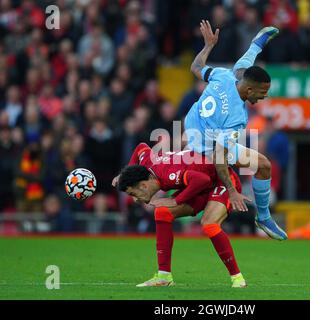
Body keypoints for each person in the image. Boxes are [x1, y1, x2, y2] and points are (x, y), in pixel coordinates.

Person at [184, 20, 287, 240]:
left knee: (240, 68)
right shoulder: (237, 117)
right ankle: (263, 217)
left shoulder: (223, 75)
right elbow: (220, 156)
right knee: (264, 165)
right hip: (205, 149)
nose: (264, 97)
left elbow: (195, 68)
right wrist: (231, 190)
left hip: (192, 128)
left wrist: (208, 46)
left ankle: (256, 45)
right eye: (262, 92)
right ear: (249, 89)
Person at [113, 142, 247, 288]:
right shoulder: (146, 163)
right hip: (199, 185)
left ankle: (238, 279)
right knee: (162, 212)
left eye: (134, 193)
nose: (136, 199)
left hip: (221, 181)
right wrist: (123, 175)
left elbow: (203, 180)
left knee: (209, 224)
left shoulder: (169, 175)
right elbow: (141, 147)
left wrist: (176, 201)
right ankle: (164, 276)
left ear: (144, 185)